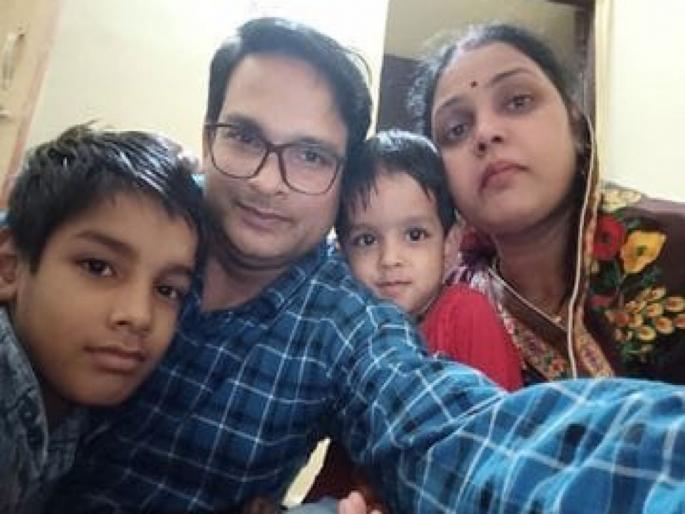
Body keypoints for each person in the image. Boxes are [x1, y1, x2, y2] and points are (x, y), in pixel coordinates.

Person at [53, 17, 685, 514]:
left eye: (310, 155)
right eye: (244, 137)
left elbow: (449, 433)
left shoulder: (348, 322)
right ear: (207, 135)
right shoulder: (132, 212)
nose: (269, 181)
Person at [408, 23, 685, 386]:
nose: (485, 132)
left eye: (518, 101)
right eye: (456, 129)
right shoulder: (444, 301)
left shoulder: (675, 245)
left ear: (575, 123)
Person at [305, 129, 522, 510]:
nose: (390, 259)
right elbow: (338, 463)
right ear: (342, 254)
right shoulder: (351, 334)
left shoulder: (465, 313)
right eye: (366, 240)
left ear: (450, 245)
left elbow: (500, 441)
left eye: (415, 234)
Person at [0, 125, 207, 513]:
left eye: (167, 290)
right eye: (98, 267)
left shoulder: (68, 411)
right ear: (9, 267)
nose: (138, 315)